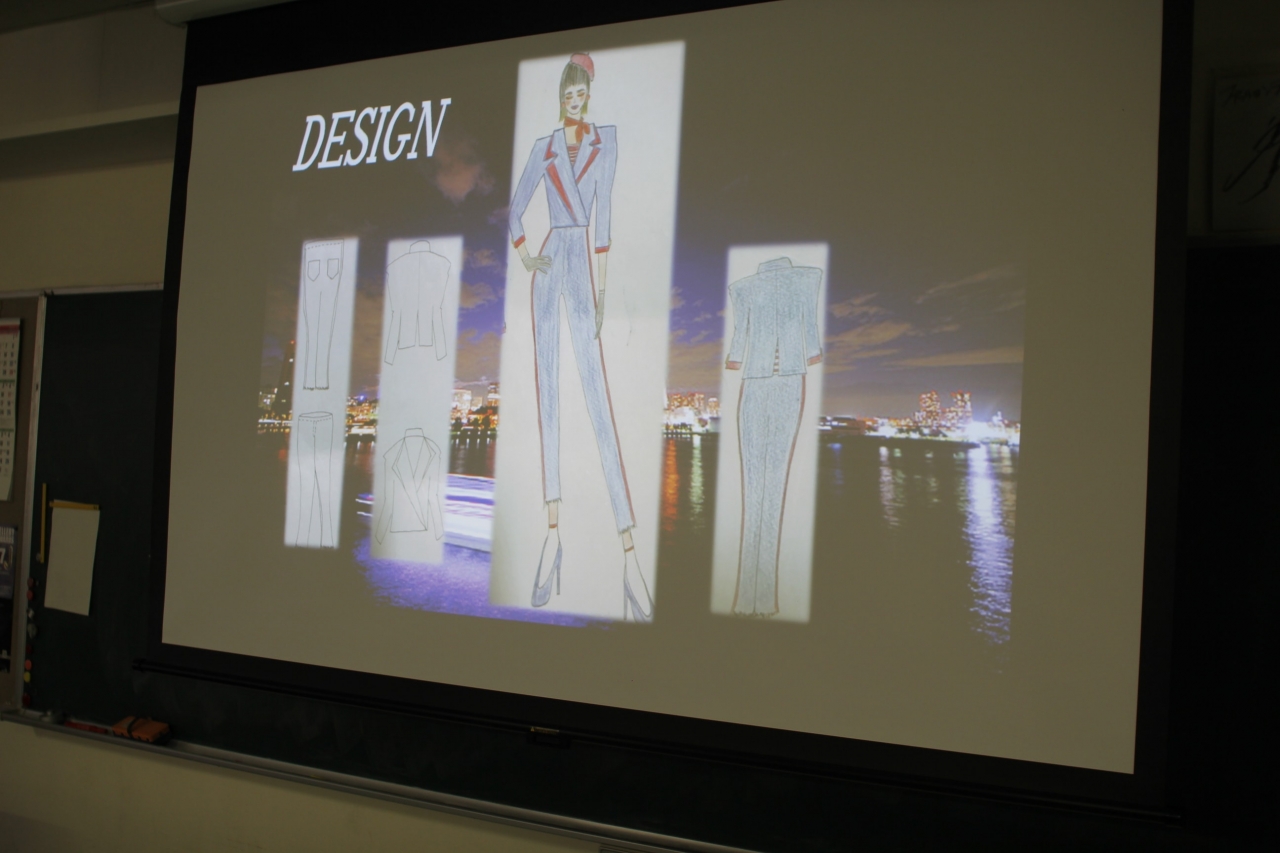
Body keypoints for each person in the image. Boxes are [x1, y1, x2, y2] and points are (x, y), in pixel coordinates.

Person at [508, 52, 653, 621]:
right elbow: (515, 210)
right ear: (560, 99)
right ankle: (552, 535)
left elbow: (605, 212)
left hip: (582, 262)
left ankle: (629, 552)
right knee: (548, 396)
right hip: (550, 261)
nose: (574, 102)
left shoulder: (603, 141)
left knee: (597, 398)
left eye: (580, 94)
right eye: (567, 95)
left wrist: (603, 287)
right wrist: (527, 258)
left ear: (587, 95)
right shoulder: (545, 146)